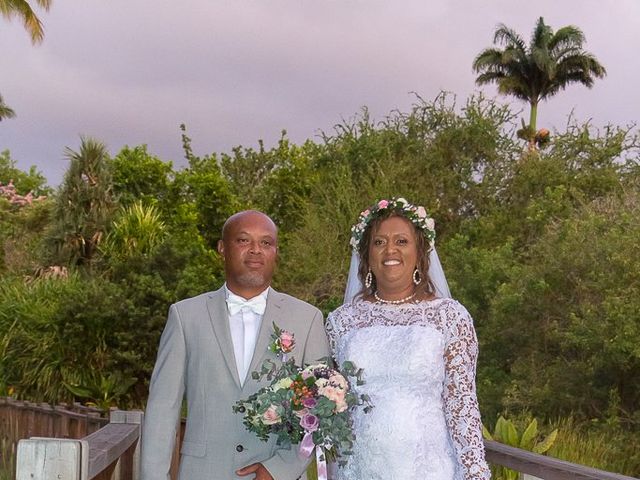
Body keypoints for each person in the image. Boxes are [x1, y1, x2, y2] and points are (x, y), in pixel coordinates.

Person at [141, 210, 330, 480]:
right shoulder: (185, 316)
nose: (256, 250)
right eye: (243, 241)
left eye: (266, 243)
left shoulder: (307, 319)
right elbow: (162, 410)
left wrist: (280, 469)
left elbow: (322, 406)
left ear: (276, 251)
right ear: (222, 248)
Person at [327, 198, 490, 480]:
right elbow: (333, 408)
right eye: (379, 242)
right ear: (366, 255)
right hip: (358, 469)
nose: (390, 249)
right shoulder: (341, 322)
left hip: (429, 469)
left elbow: (462, 408)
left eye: (402, 241)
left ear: (419, 253)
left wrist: (475, 472)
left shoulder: (449, 317)